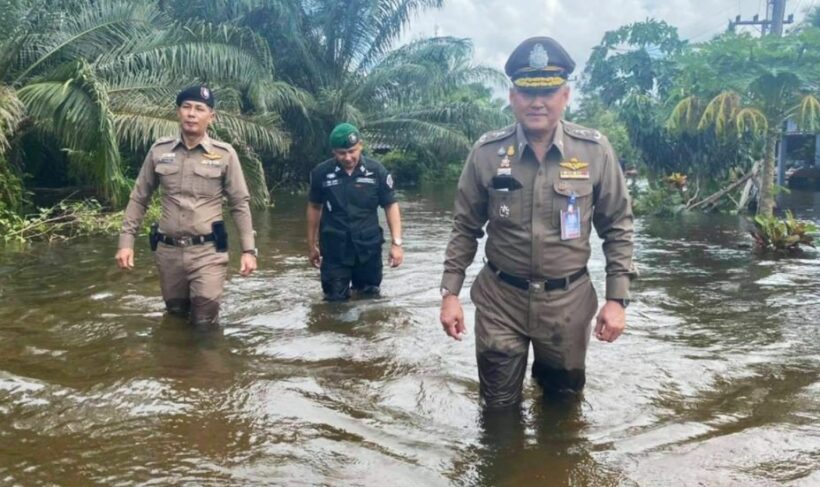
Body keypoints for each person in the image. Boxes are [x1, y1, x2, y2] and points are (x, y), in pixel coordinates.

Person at [439, 37, 636, 408]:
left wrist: (617, 299)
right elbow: (465, 227)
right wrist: (450, 294)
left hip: (568, 304)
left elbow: (618, 227)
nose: (537, 102)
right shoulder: (486, 153)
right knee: (497, 411)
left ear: (565, 95)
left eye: (548, 91)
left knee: (563, 410)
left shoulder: (594, 151)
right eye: (528, 93)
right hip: (501, 301)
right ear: (513, 97)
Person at [115, 85, 258, 327]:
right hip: (168, 253)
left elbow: (239, 204)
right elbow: (139, 197)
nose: (192, 113)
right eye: (186, 107)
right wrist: (126, 243)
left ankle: (206, 365)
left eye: (199, 109)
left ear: (210, 117)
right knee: (175, 317)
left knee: (204, 322)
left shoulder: (225, 155)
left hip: (208, 253)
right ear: (178, 112)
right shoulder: (159, 151)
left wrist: (249, 251)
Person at [306, 123, 403, 301]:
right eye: (342, 153)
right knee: (334, 303)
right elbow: (314, 207)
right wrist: (312, 245)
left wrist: (396, 244)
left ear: (361, 146)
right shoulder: (321, 174)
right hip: (335, 250)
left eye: (352, 151)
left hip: (368, 249)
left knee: (370, 301)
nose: (348, 157)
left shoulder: (376, 172)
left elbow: (390, 205)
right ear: (333, 152)